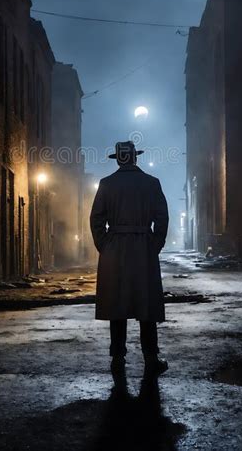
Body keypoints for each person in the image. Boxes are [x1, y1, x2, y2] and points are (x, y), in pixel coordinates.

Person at [90, 141, 169, 375]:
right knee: (146, 305)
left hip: (115, 250)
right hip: (143, 248)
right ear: (135, 158)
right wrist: (154, 244)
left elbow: (96, 220)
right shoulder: (151, 183)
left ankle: (117, 358)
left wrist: (105, 245)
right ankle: (151, 358)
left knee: (118, 305)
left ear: (118, 159)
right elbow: (162, 218)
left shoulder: (106, 184)